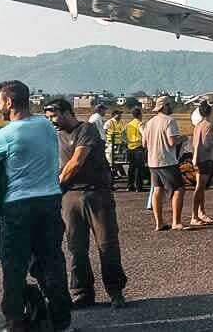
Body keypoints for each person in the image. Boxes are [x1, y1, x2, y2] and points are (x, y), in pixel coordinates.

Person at [0, 81, 72, 331]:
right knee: (52, 262)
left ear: (8, 102)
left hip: (17, 206)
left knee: (13, 266)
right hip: (49, 201)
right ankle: (62, 323)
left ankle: (15, 322)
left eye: (0, 101)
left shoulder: (7, 135)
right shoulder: (46, 126)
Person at [43, 99, 127, 309]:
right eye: (48, 118)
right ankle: (82, 292)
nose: (52, 121)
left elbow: (77, 161)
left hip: (96, 194)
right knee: (76, 247)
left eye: (54, 116)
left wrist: (57, 184)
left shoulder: (86, 129)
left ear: (67, 112)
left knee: (107, 244)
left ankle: (115, 291)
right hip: (70, 196)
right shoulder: (56, 136)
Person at [143, 96, 188, 231]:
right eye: (170, 105)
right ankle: (176, 222)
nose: (172, 107)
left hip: (153, 161)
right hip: (167, 161)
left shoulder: (149, 122)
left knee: (157, 189)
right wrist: (182, 138)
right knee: (179, 188)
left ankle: (159, 222)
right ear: (165, 106)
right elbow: (171, 142)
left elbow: (144, 144)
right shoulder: (170, 121)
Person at [189, 100, 213, 226]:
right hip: (205, 159)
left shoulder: (198, 125)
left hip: (197, 158)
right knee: (199, 188)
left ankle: (200, 212)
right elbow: (207, 144)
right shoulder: (208, 125)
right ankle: (194, 215)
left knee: (200, 188)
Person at [125, 107, 148, 192]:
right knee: (139, 168)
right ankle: (139, 186)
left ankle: (130, 185)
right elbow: (143, 134)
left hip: (130, 147)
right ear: (139, 115)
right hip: (138, 147)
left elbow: (124, 136)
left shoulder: (129, 124)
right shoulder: (139, 123)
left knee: (131, 168)